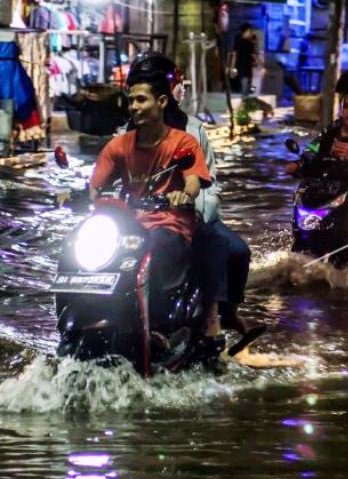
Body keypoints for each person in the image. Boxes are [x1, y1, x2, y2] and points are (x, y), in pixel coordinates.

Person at [125, 51, 258, 341]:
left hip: (185, 217)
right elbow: (107, 178)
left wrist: (190, 207)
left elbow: (208, 184)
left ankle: (222, 315)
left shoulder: (193, 132)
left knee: (235, 251)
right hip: (136, 221)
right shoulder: (122, 136)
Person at [89, 69, 212, 343]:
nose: (134, 106)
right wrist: (80, 196)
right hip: (126, 225)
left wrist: (184, 195)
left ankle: (158, 330)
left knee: (152, 251)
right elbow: (96, 185)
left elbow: (192, 180)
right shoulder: (119, 145)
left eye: (141, 100)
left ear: (162, 102)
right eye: (131, 100)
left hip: (169, 223)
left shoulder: (183, 142)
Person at [289, 84, 348, 259]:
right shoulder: (331, 132)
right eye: (346, 106)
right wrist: (299, 164)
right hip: (330, 186)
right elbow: (312, 150)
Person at [229, 23, 257, 97]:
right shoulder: (239, 40)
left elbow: (252, 55)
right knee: (244, 88)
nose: (251, 32)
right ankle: (244, 101)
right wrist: (232, 68)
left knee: (247, 87)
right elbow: (235, 54)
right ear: (245, 31)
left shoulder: (249, 42)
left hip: (246, 68)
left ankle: (246, 99)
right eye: (250, 31)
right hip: (242, 68)